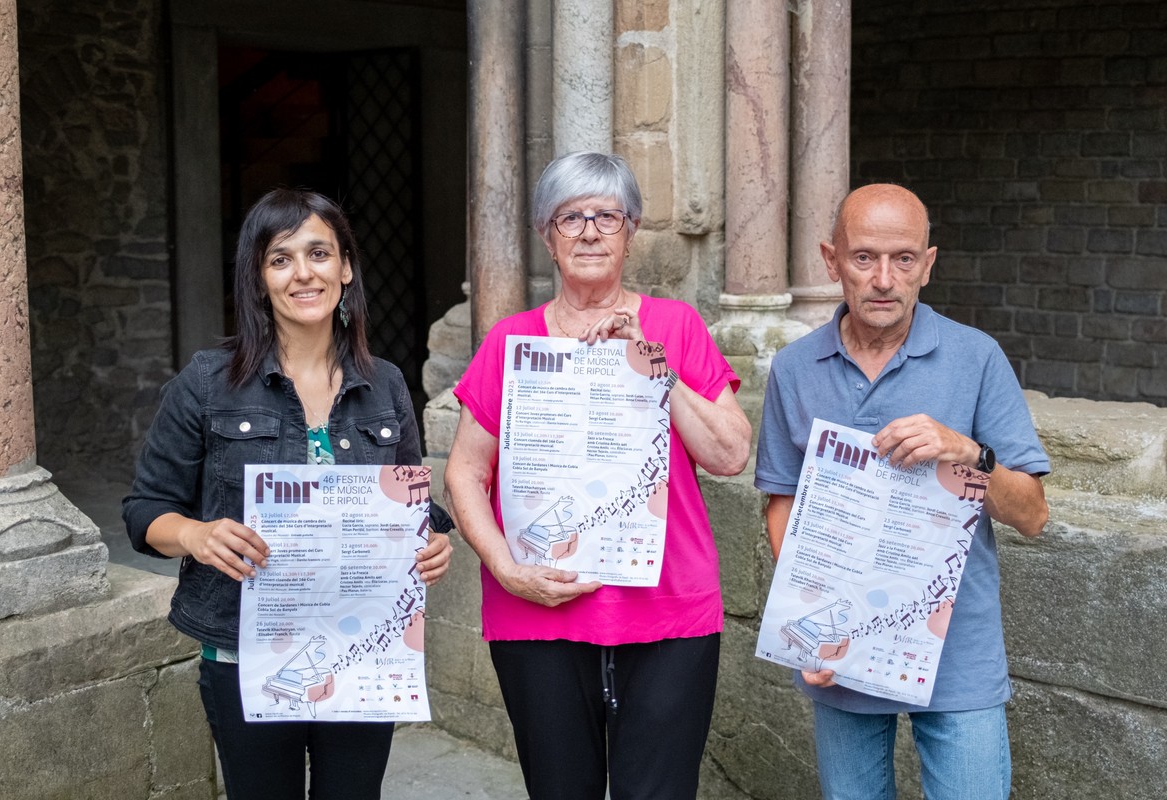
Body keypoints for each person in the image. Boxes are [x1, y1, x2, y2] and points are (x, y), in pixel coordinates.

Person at [123, 188, 452, 800]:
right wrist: (195, 534)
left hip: (361, 650)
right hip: (243, 649)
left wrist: (432, 541)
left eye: (319, 253)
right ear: (258, 278)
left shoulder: (386, 386)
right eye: (280, 259)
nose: (303, 273)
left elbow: (411, 503)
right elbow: (144, 512)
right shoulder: (206, 383)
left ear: (345, 267)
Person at [443, 151, 751, 800]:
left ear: (632, 231)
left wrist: (652, 365)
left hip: (667, 614)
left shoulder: (674, 327)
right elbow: (465, 475)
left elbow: (729, 455)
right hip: (538, 611)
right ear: (544, 237)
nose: (589, 231)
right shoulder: (511, 342)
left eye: (607, 217)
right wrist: (506, 568)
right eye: (569, 217)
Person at [755, 184, 1050, 800]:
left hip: (955, 649)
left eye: (903, 259)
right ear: (831, 261)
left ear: (928, 264)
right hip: (841, 647)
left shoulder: (976, 358)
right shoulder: (794, 368)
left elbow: (1032, 514)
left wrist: (966, 451)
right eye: (863, 258)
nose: (884, 278)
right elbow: (782, 502)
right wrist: (807, 615)